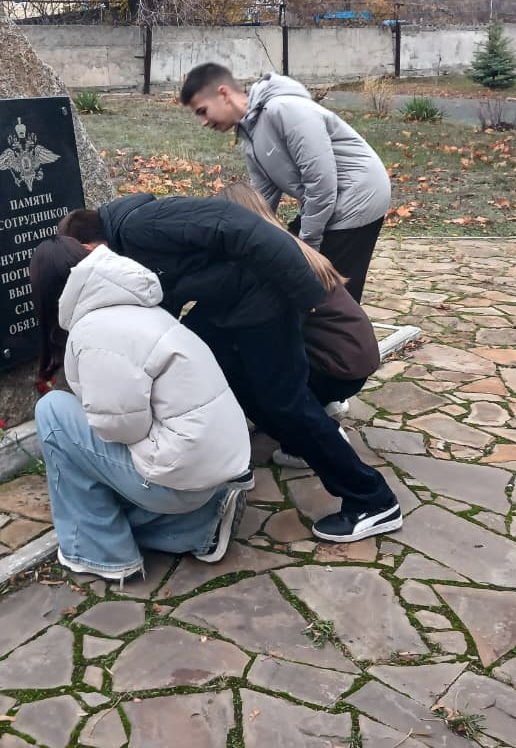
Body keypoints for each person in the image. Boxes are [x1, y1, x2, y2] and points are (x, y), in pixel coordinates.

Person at [58, 195, 402, 543]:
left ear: (91, 248)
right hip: (226, 305)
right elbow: (166, 289)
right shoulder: (127, 238)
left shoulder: (142, 224)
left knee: (284, 403)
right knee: (208, 370)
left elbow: (242, 226)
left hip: (263, 301)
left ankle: (371, 498)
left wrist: (306, 294)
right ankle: (234, 465)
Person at [30, 235, 251, 583]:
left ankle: (101, 553)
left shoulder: (93, 331)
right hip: (216, 462)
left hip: (181, 477)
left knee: (53, 412)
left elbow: (120, 429)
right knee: (84, 435)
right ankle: (201, 524)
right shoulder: (133, 304)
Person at [180, 63, 393, 303]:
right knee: (293, 265)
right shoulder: (250, 138)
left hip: (359, 194)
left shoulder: (286, 110)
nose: (203, 122)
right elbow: (262, 202)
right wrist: (238, 245)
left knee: (331, 289)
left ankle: (343, 337)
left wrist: (309, 247)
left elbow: (321, 182)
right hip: (330, 197)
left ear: (223, 94)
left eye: (202, 111)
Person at [218, 182, 381, 468]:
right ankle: (323, 406)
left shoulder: (265, 263)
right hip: (357, 360)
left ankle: (309, 439)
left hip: (335, 370)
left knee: (243, 364)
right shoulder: (292, 245)